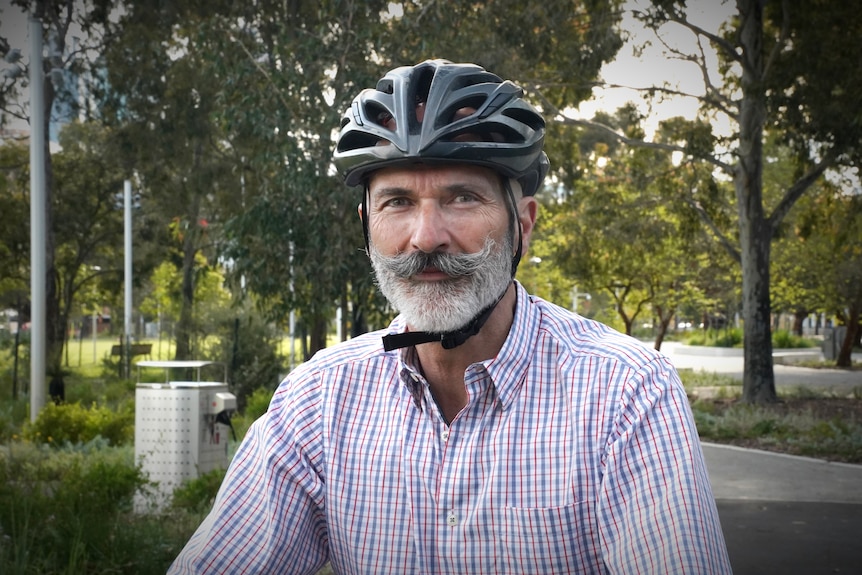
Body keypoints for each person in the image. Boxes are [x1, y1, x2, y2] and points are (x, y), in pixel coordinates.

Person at [170, 59, 732, 574]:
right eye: (397, 202)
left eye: (462, 197)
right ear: (366, 226)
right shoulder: (319, 400)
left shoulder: (624, 389)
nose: (426, 237)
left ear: (524, 224)